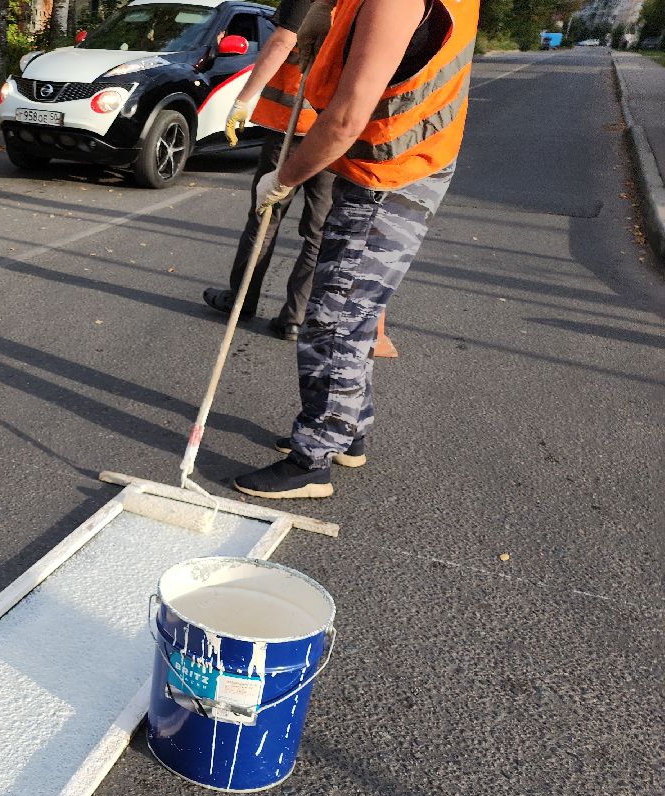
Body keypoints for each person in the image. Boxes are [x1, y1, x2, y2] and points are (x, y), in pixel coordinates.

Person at [232, 0, 476, 499]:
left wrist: (285, 178)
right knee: (353, 312)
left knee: (334, 319)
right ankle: (349, 430)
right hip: (401, 163)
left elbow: (345, 118)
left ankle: (313, 458)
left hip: (388, 175)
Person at [203, 0, 334, 341]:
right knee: (319, 229)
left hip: (291, 126)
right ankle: (295, 316)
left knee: (265, 213)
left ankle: (241, 301)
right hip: (333, 130)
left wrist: (243, 99)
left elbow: (282, 41)